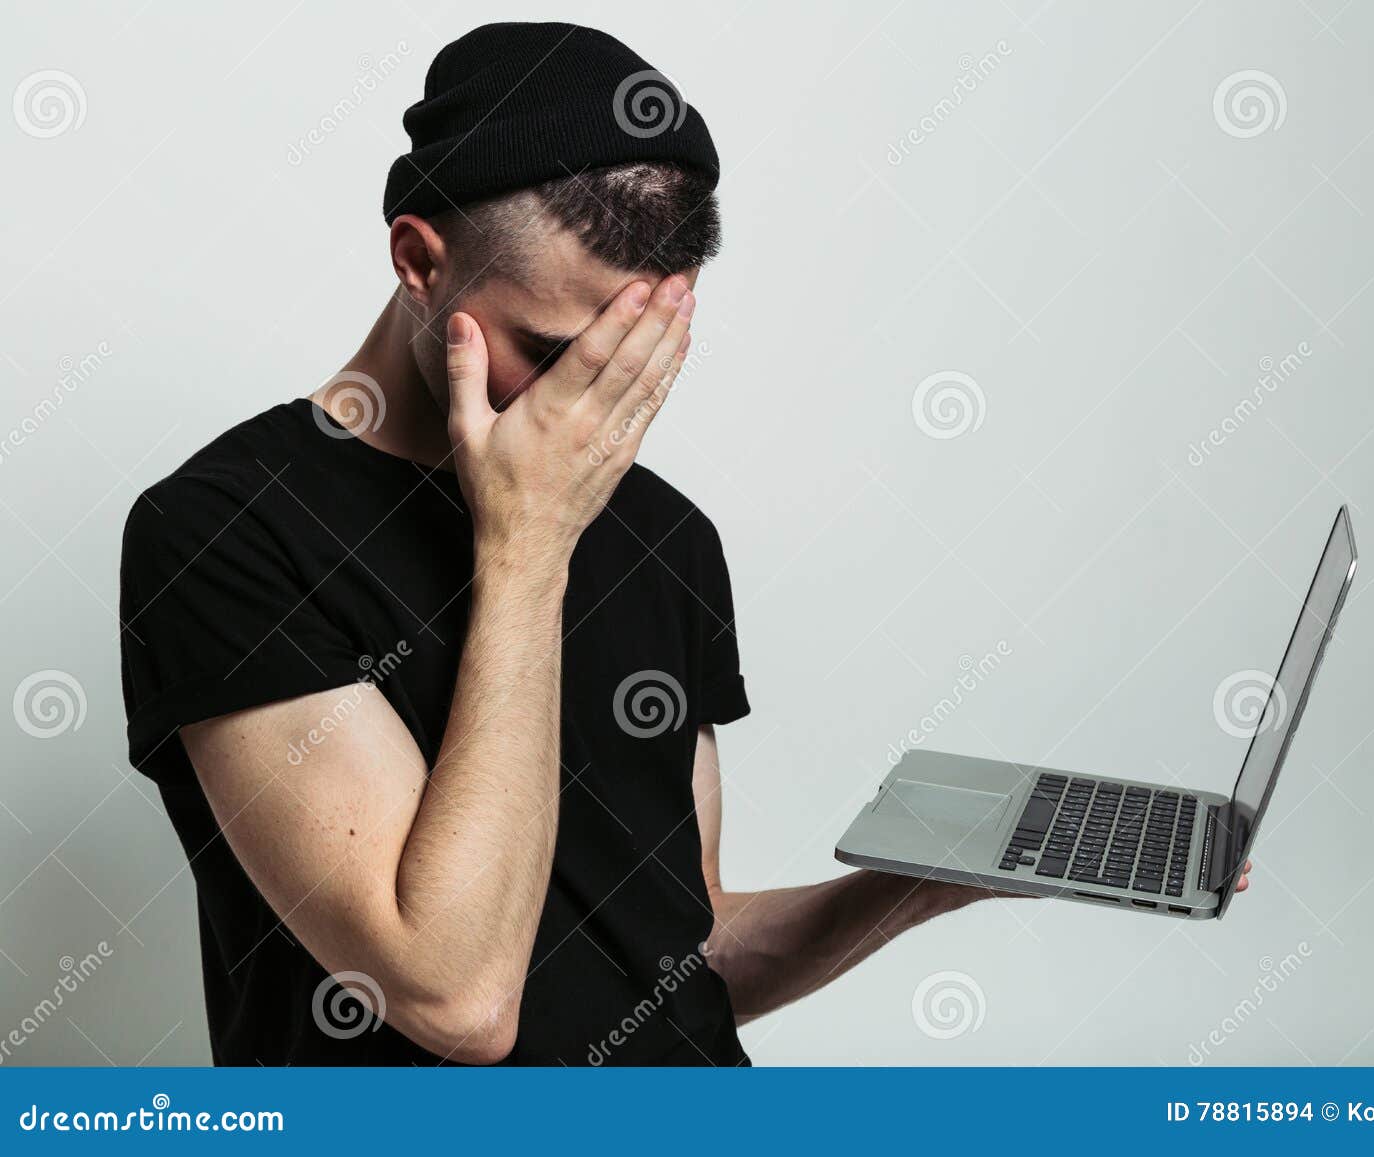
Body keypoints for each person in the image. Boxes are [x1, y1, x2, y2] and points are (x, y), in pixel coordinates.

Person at [118, 21, 1250, 1066]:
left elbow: (676, 953)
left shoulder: (664, 535)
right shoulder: (220, 532)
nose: (600, 404)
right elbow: (454, 997)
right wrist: (526, 549)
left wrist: (933, 882)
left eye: (641, 352)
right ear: (420, 262)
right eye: (553, 348)